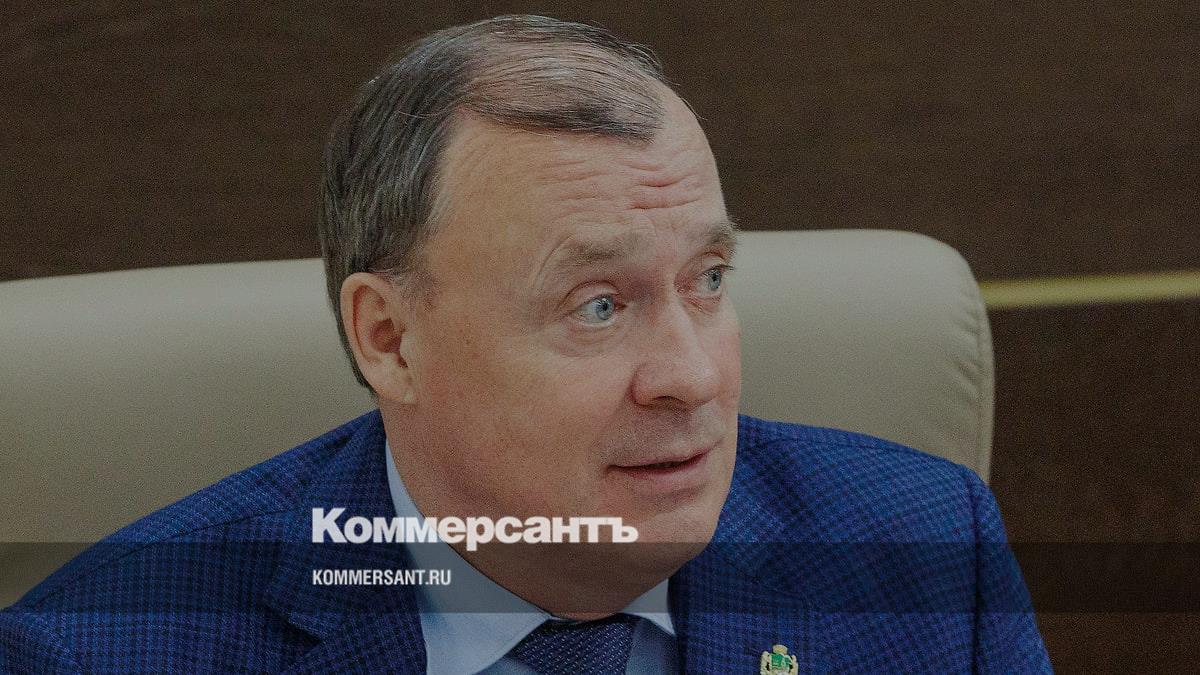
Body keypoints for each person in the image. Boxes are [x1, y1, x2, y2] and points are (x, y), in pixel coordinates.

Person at [0, 14, 1051, 674]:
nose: (691, 376)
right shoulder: (100, 651)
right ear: (390, 339)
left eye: (708, 280)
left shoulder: (925, 554)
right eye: (598, 307)